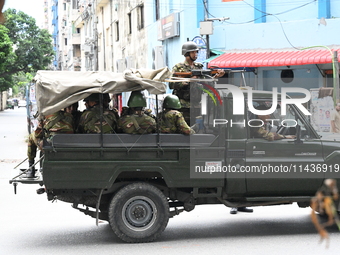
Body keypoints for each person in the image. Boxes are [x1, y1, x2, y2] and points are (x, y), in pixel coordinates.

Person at [171, 41, 224, 125]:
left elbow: (205, 84)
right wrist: (189, 81)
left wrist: (215, 77)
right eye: (193, 52)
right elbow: (171, 84)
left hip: (197, 105)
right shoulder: (179, 67)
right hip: (183, 106)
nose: (195, 54)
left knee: (196, 130)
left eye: (196, 52)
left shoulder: (199, 66)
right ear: (186, 53)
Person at [26, 109, 74, 178]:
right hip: (69, 146)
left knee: (31, 137)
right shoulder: (70, 116)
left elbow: (37, 134)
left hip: (51, 148)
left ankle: (31, 169)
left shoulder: (46, 116)